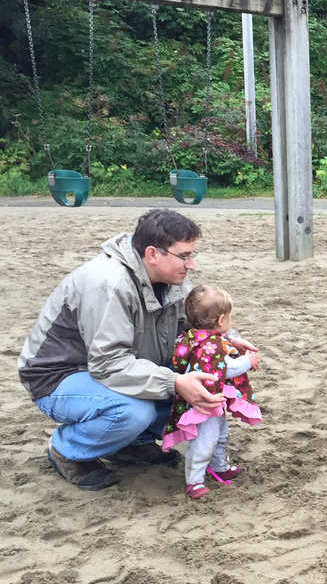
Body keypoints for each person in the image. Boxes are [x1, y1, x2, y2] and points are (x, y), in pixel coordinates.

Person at [18, 209, 256, 491]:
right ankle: (67, 451)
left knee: (202, 384)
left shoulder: (173, 282)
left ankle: (130, 445)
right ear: (153, 253)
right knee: (133, 411)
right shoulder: (109, 284)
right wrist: (174, 382)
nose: (191, 265)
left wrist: (226, 342)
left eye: (193, 255)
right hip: (61, 376)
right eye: (184, 256)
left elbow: (194, 328)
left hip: (122, 366)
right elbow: (108, 362)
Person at [162, 285, 262, 499]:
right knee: (204, 441)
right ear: (221, 320)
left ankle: (220, 466)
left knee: (220, 435)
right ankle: (194, 482)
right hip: (204, 402)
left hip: (206, 398)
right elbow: (226, 368)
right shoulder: (212, 345)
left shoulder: (192, 336)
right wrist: (248, 360)